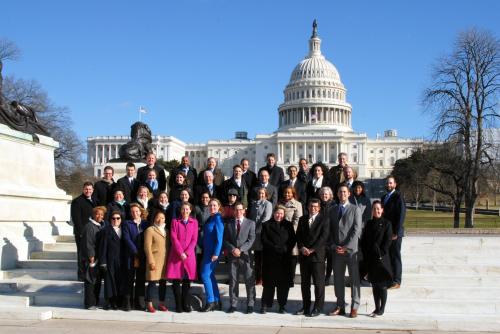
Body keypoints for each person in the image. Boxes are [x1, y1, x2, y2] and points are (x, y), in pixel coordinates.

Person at [329, 184, 362, 318]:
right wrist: (334, 245)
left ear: (349, 194)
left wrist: (346, 246)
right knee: (338, 279)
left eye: (344, 192)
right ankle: (340, 305)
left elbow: (357, 229)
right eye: (340, 192)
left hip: (351, 250)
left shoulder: (355, 209)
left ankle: (354, 306)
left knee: (354, 279)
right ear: (337, 194)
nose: (342, 194)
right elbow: (329, 230)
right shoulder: (332, 210)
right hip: (337, 250)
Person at [295, 198, 329, 317]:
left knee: (318, 284)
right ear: (308, 207)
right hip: (304, 256)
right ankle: (305, 307)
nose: (313, 208)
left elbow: (323, 237)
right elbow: (298, 236)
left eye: (315, 207)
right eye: (311, 206)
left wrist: (312, 249)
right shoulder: (302, 219)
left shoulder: (324, 219)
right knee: (305, 284)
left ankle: (317, 308)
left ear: (319, 208)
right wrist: (302, 247)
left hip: (317, 256)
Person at [261, 205, 295, 314]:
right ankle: (265, 305)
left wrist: (286, 248)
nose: (279, 215)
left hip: (284, 259)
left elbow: (292, 240)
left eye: (281, 213)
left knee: (283, 285)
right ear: (273, 213)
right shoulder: (266, 225)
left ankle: (282, 306)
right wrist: (274, 247)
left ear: (284, 214)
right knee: (268, 284)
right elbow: (264, 240)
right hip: (270, 259)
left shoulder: (289, 225)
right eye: (277, 213)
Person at [361, 201, 393, 317]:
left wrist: (380, 253)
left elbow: (388, 241)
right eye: (374, 209)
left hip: (381, 259)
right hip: (370, 259)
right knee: (374, 284)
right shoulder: (369, 223)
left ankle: (382, 309)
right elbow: (364, 241)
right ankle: (376, 308)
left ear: (382, 210)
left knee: (382, 285)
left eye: (378, 209)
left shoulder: (387, 224)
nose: (376, 211)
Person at [223, 202, 256, 313]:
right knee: (233, 281)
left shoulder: (251, 223)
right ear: (233, 211)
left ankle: (250, 304)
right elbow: (225, 240)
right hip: (232, 256)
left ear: (244, 210)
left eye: (240, 209)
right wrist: (233, 249)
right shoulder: (228, 224)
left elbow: (251, 240)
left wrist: (240, 250)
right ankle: (233, 304)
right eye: (236, 210)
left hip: (246, 256)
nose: (238, 212)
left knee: (249, 280)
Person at [166, 203, 199, 313]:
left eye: (187, 209)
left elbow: (194, 240)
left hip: (189, 256)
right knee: (176, 281)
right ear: (180, 210)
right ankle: (178, 305)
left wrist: (187, 253)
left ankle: (185, 303)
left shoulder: (194, 222)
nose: (185, 211)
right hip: (176, 255)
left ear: (190, 210)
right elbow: (173, 238)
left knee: (186, 281)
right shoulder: (175, 221)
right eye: (183, 209)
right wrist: (181, 252)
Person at [122, 203, 150, 311]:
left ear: (140, 212)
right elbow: (126, 238)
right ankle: (128, 303)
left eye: (137, 211)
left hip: (143, 256)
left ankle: (140, 303)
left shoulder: (146, 224)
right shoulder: (126, 224)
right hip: (131, 255)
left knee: (140, 280)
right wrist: (135, 251)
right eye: (133, 212)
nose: (135, 213)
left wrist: (142, 252)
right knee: (129, 279)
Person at [381, 175, 406, 289]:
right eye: (387, 183)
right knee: (388, 256)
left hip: (395, 233)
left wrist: (395, 232)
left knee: (395, 256)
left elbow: (401, 215)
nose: (389, 185)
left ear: (395, 184)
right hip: (387, 232)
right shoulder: (384, 197)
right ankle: (390, 279)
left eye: (391, 183)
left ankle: (397, 280)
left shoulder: (398, 196)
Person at [200, 199, 224, 312]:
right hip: (207, 252)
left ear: (219, 206)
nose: (212, 207)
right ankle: (217, 300)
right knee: (210, 276)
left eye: (214, 205)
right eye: (210, 205)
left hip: (212, 253)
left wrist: (216, 253)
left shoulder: (218, 218)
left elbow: (220, 238)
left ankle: (210, 301)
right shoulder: (211, 218)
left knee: (204, 275)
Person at [81, 206, 107, 309]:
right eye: (97, 214)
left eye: (101, 214)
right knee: (90, 280)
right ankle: (89, 303)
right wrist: (91, 256)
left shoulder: (101, 225)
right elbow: (88, 243)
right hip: (92, 258)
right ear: (93, 214)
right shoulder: (89, 226)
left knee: (97, 280)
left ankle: (95, 301)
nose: (99, 216)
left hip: (99, 257)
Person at [144, 211, 170, 313]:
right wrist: (151, 261)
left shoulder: (166, 231)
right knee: (152, 283)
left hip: (164, 261)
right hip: (154, 260)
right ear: (154, 218)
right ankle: (149, 303)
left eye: (162, 218)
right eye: (158, 217)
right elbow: (147, 247)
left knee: (163, 283)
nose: (160, 220)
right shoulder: (150, 230)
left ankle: (161, 303)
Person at [99, 211, 125, 310]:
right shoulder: (106, 231)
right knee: (109, 282)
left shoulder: (123, 230)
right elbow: (103, 247)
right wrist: (103, 262)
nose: (116, 220)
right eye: (113, 218)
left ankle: (117, 302)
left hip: (121, 261)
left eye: (118, 218)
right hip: (110, 260)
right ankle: (109, 302)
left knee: (119, 281)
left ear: (121, 219)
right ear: (110, 220)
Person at [71, 182, 96, 281]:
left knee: (91, 254)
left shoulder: (95, 200)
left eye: (90, 189)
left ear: (93, 190)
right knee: (82, 254)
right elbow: (76, 219)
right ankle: (81, 275)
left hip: (92, 232)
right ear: (83, 189)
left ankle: (91, 274)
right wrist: (82, 233)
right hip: (82, 233)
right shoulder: (77, 201)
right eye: (86, 189)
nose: (88, 191)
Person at [247, 187, 273, 285]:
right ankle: (257, 277)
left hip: (262, 233)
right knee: (257, 257)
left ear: (266, 195)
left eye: (263, 193)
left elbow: (265, 219)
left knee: (263, 257)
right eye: (259, 193)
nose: (261, 195)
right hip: (254, 234)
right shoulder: (254, 204)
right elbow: (250, 218)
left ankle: (263, 277)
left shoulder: (268, 204)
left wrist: (254, 229)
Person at [280, 186, 303, 287]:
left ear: (293, 194)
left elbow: (297, 220)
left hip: (291, 234)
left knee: (292, 258)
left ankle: (291, 279)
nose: (287, 194)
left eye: (289, 193)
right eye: (285, 192)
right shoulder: (280, 203)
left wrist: (288, 232)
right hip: (280, 235)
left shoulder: (297, 204)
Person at [318, 186, 335, 286]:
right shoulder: (317, 204)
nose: (324, 196)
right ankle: (320, 277)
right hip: (320, 235)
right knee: (320, 259)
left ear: (330, 195)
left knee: (330, 259)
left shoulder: (334, 205)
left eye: (326, 194)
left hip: (331, 235)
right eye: (323, 194)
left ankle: (327, 277)